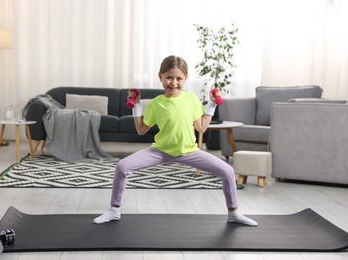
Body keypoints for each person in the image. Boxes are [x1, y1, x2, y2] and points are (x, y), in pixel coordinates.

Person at [93, 55, 258, 226]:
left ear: (185, 79)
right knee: (122, 167)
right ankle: (114, 211)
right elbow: (141, 130)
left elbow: (201, 127)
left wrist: (212, 104)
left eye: (179, 78)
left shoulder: (191, 99)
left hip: (189, 152)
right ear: (160, 78)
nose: (173, 82)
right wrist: (136, 105)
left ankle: (234, 213)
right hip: (160, 151)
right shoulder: (157, 103)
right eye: (169, 78)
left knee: (228, 172)